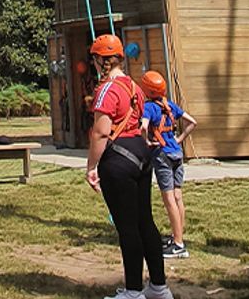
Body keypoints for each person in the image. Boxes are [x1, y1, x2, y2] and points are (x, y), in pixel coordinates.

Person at [85, 36, 172, 299]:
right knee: (145, 221)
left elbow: (101, 132)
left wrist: (92, 166)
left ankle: (133, 291)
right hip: (140, 153)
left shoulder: (106, 90)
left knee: (127, 226)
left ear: (99, 60)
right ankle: (158, 286)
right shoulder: (135, 87)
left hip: (118, 159)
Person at [140, 71, 197, 260]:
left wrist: (146, 142)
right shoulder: (170, 105)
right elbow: (192, 122)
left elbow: (143, 127)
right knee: (178, 196)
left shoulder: (149, 107)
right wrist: (179, 139)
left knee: (169, 198)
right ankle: (177, 236)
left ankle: (178, 245)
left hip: (162, 154)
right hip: (177, 153)